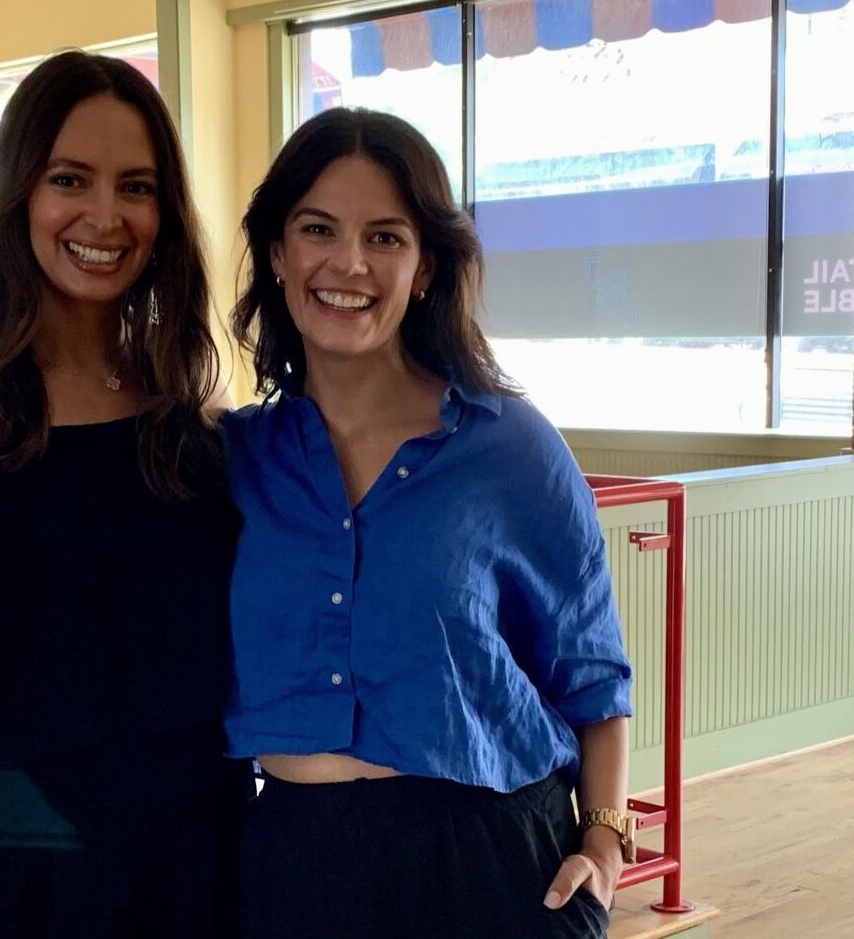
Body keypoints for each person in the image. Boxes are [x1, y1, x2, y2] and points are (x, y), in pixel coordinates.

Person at [0, 50, 250, 939]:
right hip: (19, 866)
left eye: (136, 187)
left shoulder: (192, 403)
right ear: (18, 192)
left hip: (201, 854)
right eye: (71, 178)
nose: (104, 217)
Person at [224, 107, 634, 938]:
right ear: (276, 253)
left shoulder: (511, 447)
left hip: (490, 861)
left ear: (426, 267)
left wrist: (604, 840)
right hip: (295, 866)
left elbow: (592, 672)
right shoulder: (230, 461)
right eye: (317, 229)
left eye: (385, 237)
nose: (349, 263)